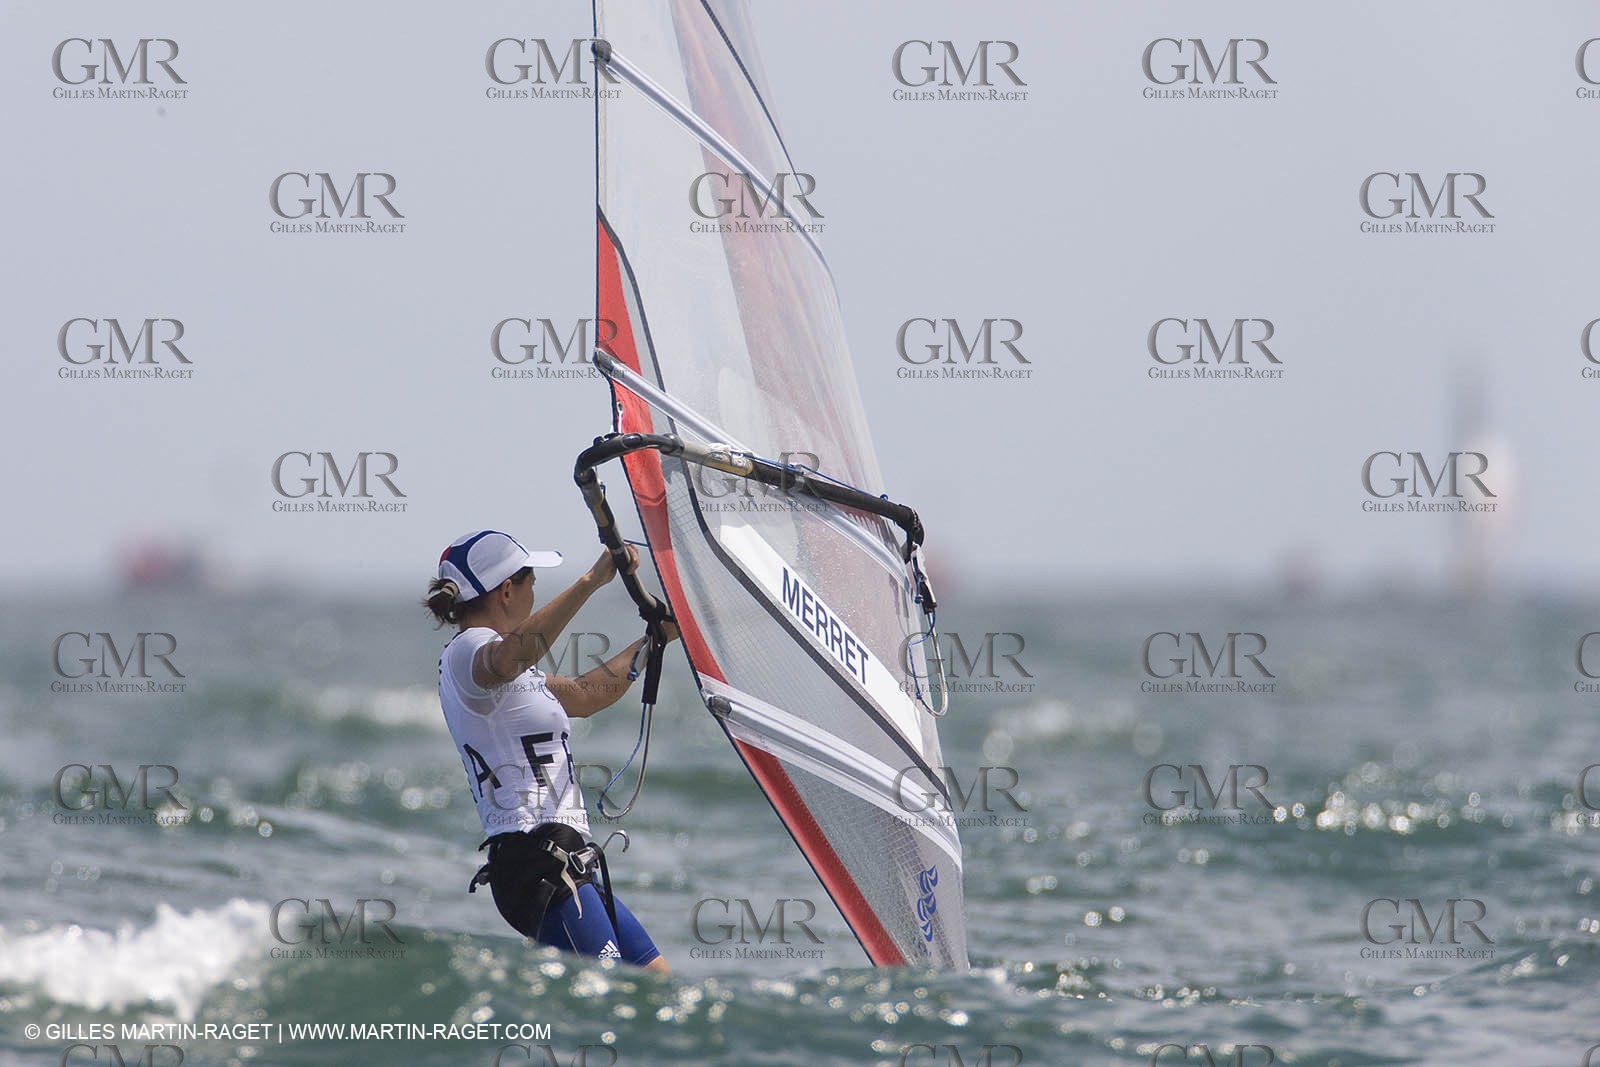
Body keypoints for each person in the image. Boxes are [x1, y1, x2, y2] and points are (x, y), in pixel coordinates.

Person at [424, 529, 675, 972]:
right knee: (615, 989)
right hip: (536, 859)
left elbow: (585, 694)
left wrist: (657, 638)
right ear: (506, 591)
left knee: (653, 979)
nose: (534, 591)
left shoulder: (509, 672)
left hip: (566, 857)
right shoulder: (469, 654)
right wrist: (591, 581)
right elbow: (507, 658)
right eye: (531, 581)